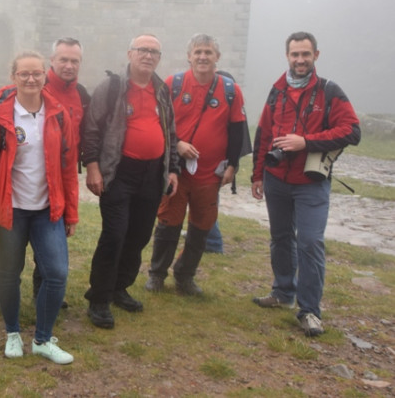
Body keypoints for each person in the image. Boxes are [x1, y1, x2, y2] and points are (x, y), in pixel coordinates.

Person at [250, 31, 360, 337]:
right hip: (276, 180)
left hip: (311, 182)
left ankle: (310, 310)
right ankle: (283, 292)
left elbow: (352, 131)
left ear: (316, 56)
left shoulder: (329, 91)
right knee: (281, 237)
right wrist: (257, 175)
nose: (300, 60)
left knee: (310, 243)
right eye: (295, 54)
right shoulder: (277, 91)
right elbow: (263, 135)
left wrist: (306, 142)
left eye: (305, 54)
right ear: (287, 56)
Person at [0, 51, 78, 365]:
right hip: (12, 211)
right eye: (24, 74)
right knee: (9, 274)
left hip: (48, 211)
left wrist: (71, 213)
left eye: (36, 73)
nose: (31, 79)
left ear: (45, 75)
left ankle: (43, 340)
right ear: (14, 77)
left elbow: (69, 167)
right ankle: (12, 333)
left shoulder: (59, 115)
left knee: (57, 274)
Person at [81, 34, 179, 329]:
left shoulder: (162, 90)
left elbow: (171, 132)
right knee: (114, 235)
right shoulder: (111, 87)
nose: (148, 56)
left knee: (139, 236)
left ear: (159, 58)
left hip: (152, 175)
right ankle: (98, 298)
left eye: (154, 52)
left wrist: (172, 168)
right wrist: (93, 167)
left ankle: (119, 288)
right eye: (142, 50)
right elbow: (91, 130)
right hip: (119, 172)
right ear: (130, 54)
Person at [145, 34, 247, 296]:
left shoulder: (230, 90)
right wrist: (177, 144)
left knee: (202, 226)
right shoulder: (173, 84)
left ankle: (185, 275)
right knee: (168, 222)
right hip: (177, 171)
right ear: (189, 56)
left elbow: (237, 131)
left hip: (210, 173)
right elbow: (157, 122)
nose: (203, 56)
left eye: (208, 52)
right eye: (198, 52)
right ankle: (157, 274)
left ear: (217, 58)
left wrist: (232, 167)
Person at [32, 38, 89, 304]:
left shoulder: (82, 95)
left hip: (63, 176)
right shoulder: (35, 87)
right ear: (51, 60)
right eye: (63, 59)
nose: (68, 65)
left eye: (74, 61)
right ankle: (7, 287)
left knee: (52, 232)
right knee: (19, 234)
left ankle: (43, 287)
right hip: (32, 174)